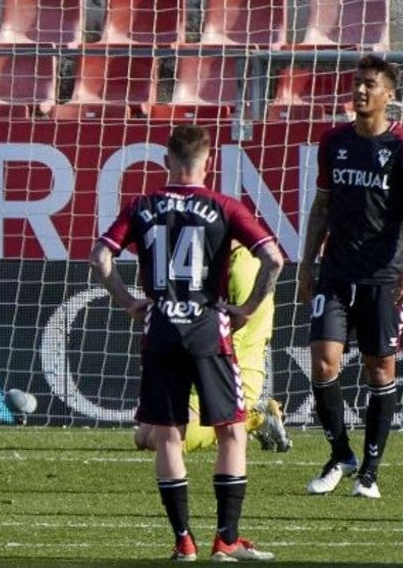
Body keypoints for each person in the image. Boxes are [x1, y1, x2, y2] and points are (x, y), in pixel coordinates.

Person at [91, 124, 283, 562]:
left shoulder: (142, 206)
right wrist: (248, 307)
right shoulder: (223, 206)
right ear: (208, 161)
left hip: (160, 328)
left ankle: (183, 542)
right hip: (206, 329)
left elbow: (100, 257)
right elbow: (273, 258)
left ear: (166, 162)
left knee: (167, 435)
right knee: (232, 431)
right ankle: (226, 539)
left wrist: (128, 303)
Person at [297, 54, 403, 500]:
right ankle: (341, 454)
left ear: (388, 95)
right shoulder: (333, 140)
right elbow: (321, 207)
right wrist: (305, 263)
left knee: (380, 369)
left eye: (369, 84)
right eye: (356, 83)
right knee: (323, 361)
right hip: (336, 271)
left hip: (385, 276)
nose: (359, 90)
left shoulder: (402, 146)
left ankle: (370, 470)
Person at [134, 242, 291, 455]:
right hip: (204, 368)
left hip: (231, 375)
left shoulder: (243, 268)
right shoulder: (218, 262)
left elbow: (235, 334)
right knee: (142, 438)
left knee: (162, 441)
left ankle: (255, 416)